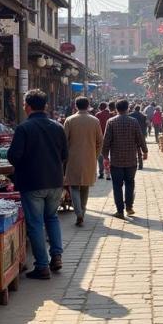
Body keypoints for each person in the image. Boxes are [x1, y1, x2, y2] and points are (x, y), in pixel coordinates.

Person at [8, 89, 68, 280]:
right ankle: (56, 255)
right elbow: (65, 155)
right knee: (51, 218)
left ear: (27, 106)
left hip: (32, 182)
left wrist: (25, 165)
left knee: (35, 223)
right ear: (46, 106)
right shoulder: (57, 127)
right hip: (55, 181)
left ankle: (42, 266)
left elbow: (13, 156)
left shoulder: (24, 128)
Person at [102, 98, 148, 219]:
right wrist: (145, 151)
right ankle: (129, 207)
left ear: (116, 109)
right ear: (128, 108)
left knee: (117, 185)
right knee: (130, 183)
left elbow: (106, 141)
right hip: (131, 160)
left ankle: (120, 211)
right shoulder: (133, 122)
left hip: (116, 160)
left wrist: (105, 156)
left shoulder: (111, 122)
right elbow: (140, 138)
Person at [63, 96, 103, 227]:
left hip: (73, 158)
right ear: (88, 106)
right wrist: (95, 155)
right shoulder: (95, 121)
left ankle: (78, 213)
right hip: (89, 158)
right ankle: (83, 213)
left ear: (75, 106)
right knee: (85, 187)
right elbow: (100, 141)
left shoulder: (69, 120)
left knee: (73, 186)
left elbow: (64, 141)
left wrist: (64, 157)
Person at [95, 102, 113, 179]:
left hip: (100, 138)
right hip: (111, 138)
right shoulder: (111, 115)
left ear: (100, 107)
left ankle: (101, 172)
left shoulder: (98, 115)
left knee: (101, 156)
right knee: (110, 156)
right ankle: (109, 172)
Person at [132, 105, 148, 170]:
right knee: (139, 149)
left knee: (132, 150)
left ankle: (134, 163)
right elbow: (145, 125)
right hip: (141, 134)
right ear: (140, 109)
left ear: (134, 109)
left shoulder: (130, 115)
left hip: (132, 134)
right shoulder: (143, 116)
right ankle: (140, 164)